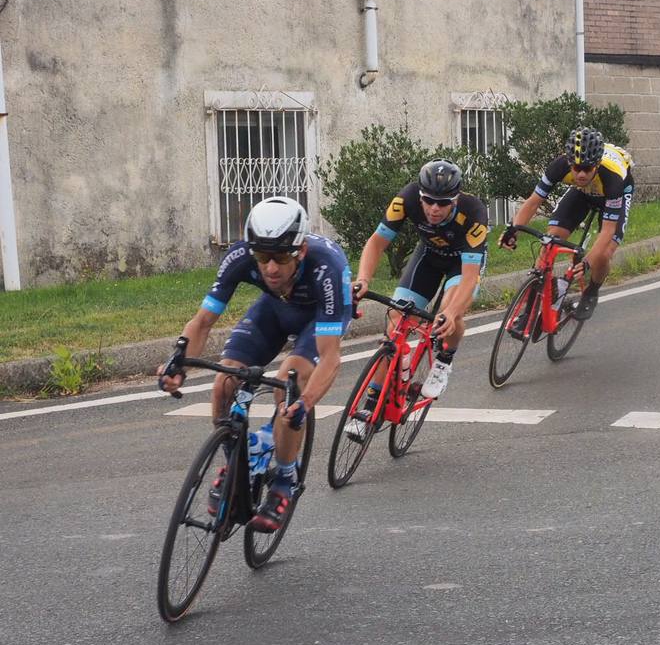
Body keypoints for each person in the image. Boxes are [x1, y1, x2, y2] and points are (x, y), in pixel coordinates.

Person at [157, 197, 352, 531]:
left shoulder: (327, 268)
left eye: (280, 257)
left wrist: (305, 403)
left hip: (318, 319)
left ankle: (284, 480)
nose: (270, 268)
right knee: (224, 383)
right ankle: (237, 465)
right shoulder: (240, 256)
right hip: (274, 310)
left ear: (300, 251)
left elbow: (331, 358)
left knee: (289, 383)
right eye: (262, 257)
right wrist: (177, 364)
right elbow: (203, 322)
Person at [346, 160, 487, 438]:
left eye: (443, 202)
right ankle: (371, 405)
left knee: (450, 312)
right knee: (396, 320)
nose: (434, 208)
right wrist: (363, 280)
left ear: (455, 199)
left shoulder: (474, 212)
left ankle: (444, 360)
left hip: (462, 263)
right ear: (420, 195)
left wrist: (452, 311)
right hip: (428, 257)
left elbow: (469, 279)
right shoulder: (406, 198)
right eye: (429, 201)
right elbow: (376, 242)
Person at [499, 127, 633, 322]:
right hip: (583, 193)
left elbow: (607, 231)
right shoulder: (559, 166)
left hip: (611, 196)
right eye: (576, 168)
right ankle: (529, 311)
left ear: (596, 164)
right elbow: (534, 200)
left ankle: (592, 292)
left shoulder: (612, 178)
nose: (580, 174)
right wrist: (513, 228)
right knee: (551, 239)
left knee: (603, 254)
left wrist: (588, 262)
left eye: (587, 169)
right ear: (569, 162)